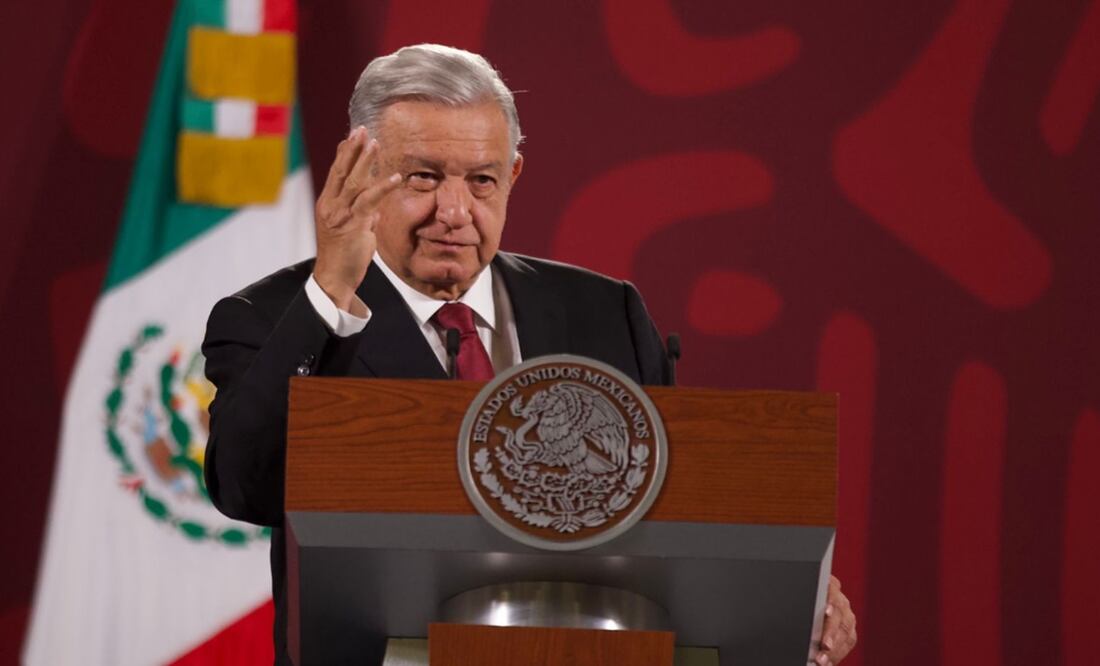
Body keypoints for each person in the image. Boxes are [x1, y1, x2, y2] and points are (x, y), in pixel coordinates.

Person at [202, 43, 856, 666]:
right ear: (361, 170)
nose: (454, 211)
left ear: (513, 174)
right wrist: (331, 290)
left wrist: (799, 593)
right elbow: (245, 488)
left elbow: (672, 506)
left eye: (481, 180)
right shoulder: (274, 317)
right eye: (423, 177)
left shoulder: (607, 313)